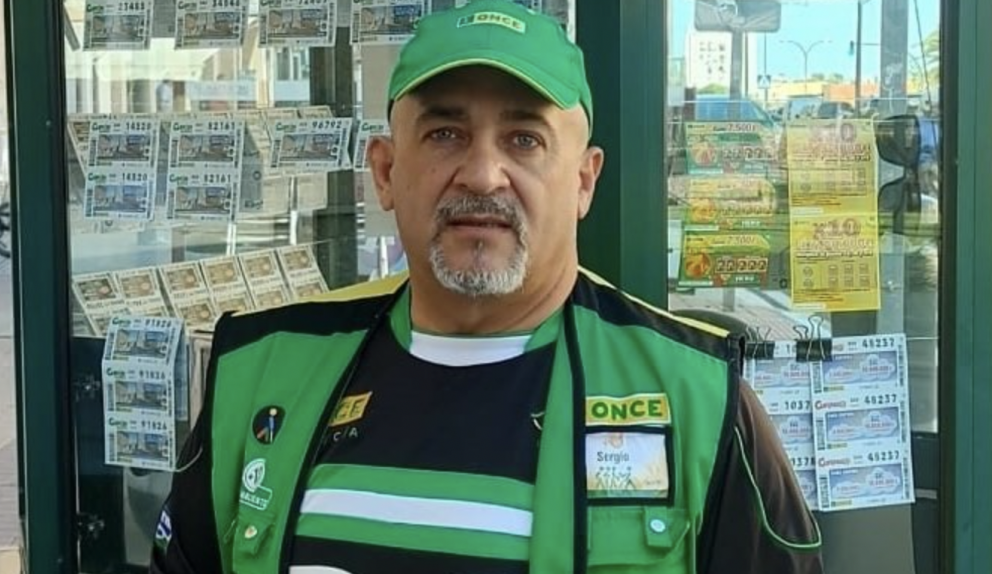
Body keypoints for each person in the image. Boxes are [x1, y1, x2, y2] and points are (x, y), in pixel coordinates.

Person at [151, 1, 823, 573]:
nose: (482, 174)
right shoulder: (259, 371)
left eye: (524, 139)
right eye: (445, 133)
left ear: (583, 180)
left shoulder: (701, 400)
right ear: (384, 172)